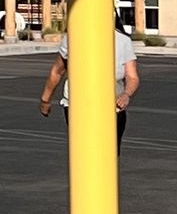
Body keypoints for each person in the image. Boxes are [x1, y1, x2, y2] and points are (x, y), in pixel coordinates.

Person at [39, 12, 139, 144]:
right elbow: (57, 71)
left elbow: (132, 77)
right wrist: (45, 100)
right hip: (77, 105)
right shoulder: (73, 37)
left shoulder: (122, 41)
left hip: (112, 106)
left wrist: (126, 94)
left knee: (109, 152)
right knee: (84, 149)